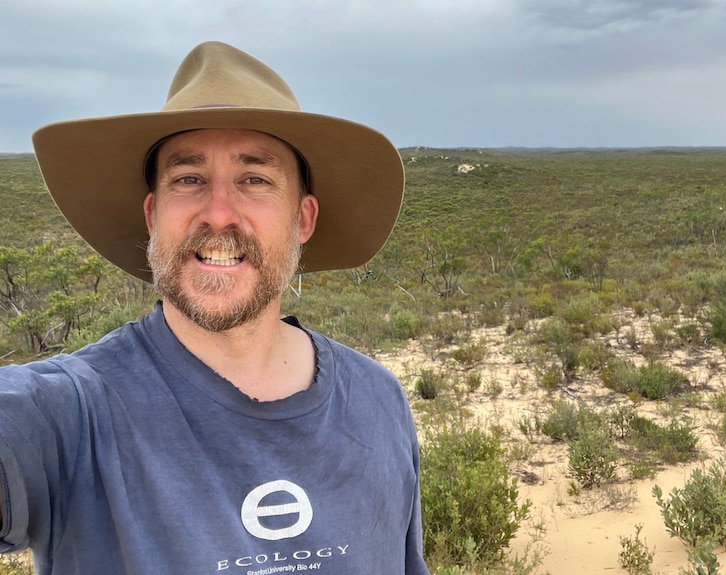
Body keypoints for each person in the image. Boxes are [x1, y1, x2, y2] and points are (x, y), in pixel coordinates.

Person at [0, 41, 430, 575]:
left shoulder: (378, 400)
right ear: (153, 215)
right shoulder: (71, 414)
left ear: (303, 218)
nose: (219, 214)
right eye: (188, 179)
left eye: (255, 180)